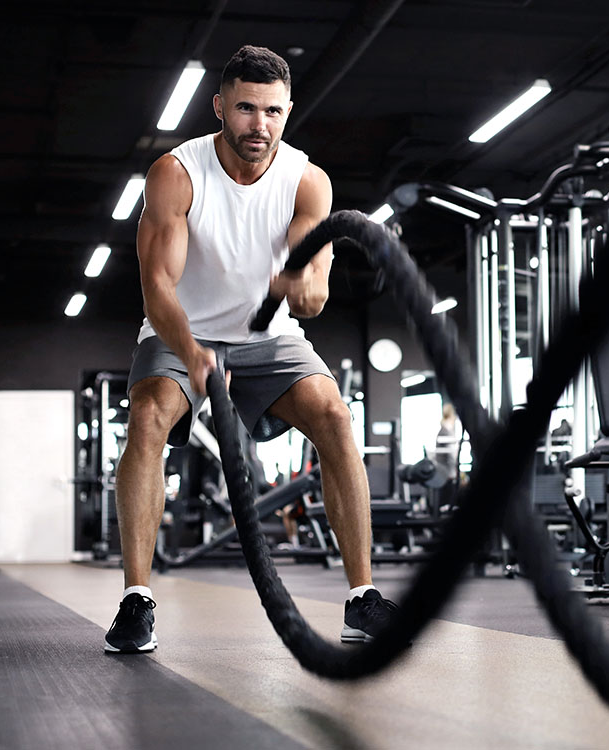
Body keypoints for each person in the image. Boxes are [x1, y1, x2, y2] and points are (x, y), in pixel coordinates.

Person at [104, 45, 396, 653]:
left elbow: (312, 299)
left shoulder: (307, 180)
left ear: (288, 111)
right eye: (244, 109)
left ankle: (361, 597)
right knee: (147, 417)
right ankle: (136, 599)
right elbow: (158, 287)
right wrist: (193, 353)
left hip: (269, 337)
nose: (258, 126)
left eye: (272, 111)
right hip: (181, 328)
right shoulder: (176, 174)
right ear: (219, 107)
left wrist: (306, 284)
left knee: (335, 416)